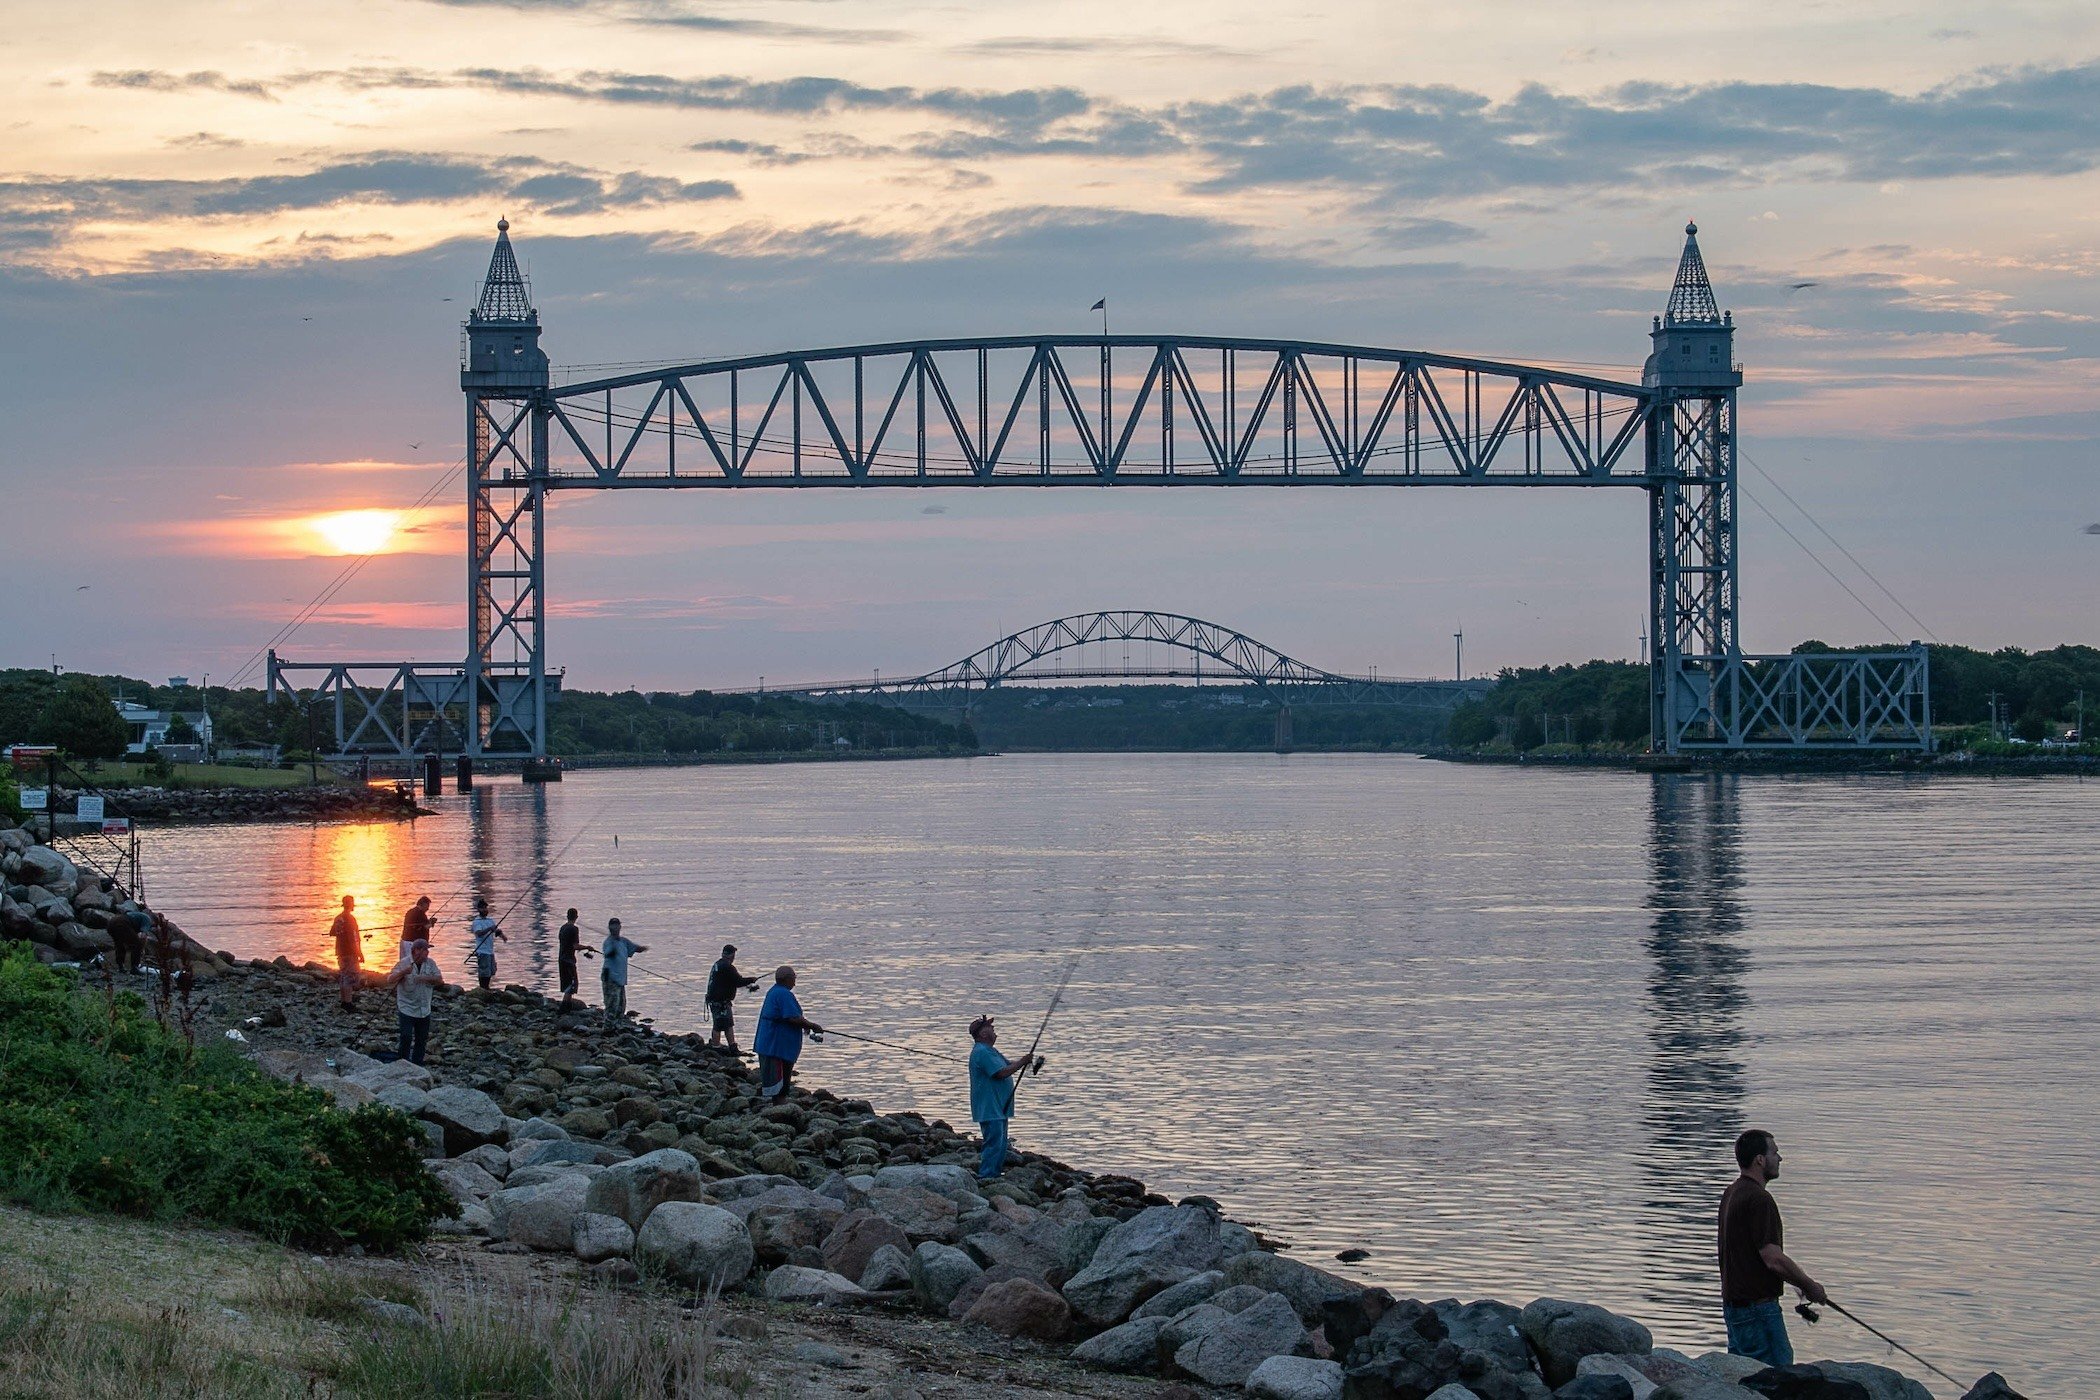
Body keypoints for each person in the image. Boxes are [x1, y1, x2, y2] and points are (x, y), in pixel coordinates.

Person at [1719, 1129, 1827, 1366]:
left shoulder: (1732, 1193)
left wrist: (1796, 1282)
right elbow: (1772, 1258)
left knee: (1743, 1382)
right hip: (1757, 1313)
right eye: (1775, 1153)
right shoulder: (1759, 1200)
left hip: (1734, 1311)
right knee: (1778, 1378)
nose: (1780, 1159)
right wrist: (1810, 1286)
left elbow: (1747, 1257)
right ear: (1760, 1159)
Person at [967, 1014, 1041, 1182]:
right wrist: (1023, 1061)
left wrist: (1024, 1061)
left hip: (999, 1107)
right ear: (983, 1034)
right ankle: (987, 1176)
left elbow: (1008, 1065)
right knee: (993, 1143)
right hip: (990, 1106)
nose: (993, 1029)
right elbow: (1001, 1073)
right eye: (989, 1027)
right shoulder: (982, 1052)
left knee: (1000, 1143)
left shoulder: (989, 1051)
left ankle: (994, 1174)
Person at [754, 966, 823, 1101]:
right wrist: (812, 1026)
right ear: (787, 979)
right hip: (776, 1046)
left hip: (771, 1044)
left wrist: (805, 1025)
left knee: (777, 1080)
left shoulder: (774, 991)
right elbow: (792, 1017)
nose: (795, 982)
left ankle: (775, 1105)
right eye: (794, 978)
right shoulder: (784, 994)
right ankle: (778, 1107)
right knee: (781, 1081)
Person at [386, 938, 446, 1065]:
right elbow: (390, 979)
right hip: (406, 1006)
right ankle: (403, 1062)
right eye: (424, 950)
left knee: (421, 1039)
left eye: (427, 950)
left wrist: (425, 978)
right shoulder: (404, 963)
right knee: (406, 1037)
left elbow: (440, 980)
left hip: (424, 1008)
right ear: (415, 950)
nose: (427, 953)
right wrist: (403, 972)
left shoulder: (431, 963)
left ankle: (417, 1064)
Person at [704, 943, 761, 1051]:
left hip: (716, 1000)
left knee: (728, 1024)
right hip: (720, 1002)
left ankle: (732, 1046)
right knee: (719, 1024)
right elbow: (738, 981)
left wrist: (747, 984)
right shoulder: (727, 967)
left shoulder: (718, 964)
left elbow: (732, 982)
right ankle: (716, 1047)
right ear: (731, 955)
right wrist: (751, 980)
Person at [599, 917, 646, 1023]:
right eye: (613, 926)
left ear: (620, 927)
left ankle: (617, 1026)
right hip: (610, 976)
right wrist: (613, 948)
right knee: (611, 1004)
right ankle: (608, 1028)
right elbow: (608, 954)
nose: (615, 928)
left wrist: (642, 948)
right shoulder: (608, 942)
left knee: (621, 1004)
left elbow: (634, 948)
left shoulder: (623, 941)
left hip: (620, 978)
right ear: (610, 928)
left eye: (617, 925)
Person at [467, 898, 507, 991]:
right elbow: (479, 933)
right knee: (484, 971)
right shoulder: (477, 922)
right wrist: (489, 929)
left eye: (486, 908)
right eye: (483, 908)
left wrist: (502, 936)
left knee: (491, 971)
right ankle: (483, 988)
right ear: (479, 910)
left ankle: (487, 988)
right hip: (482, 950)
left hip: (490, 950)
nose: (485, 910)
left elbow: (496, 931)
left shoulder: (490, 920)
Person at [330, 894, 362, 1009]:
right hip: (349, 952)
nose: (353, 905)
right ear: (350, 904)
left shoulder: (338, 918)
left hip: (339, 951)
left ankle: (344, 1001)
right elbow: (353, 938)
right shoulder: (350, 919)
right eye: (352, 903)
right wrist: (359, 953)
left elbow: (332, 932)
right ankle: (348, 1003)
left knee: (343, 975)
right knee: (351, 976)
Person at [557, 907, 590, 1007]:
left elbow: (566, 944)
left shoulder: (563, 927)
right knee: (571, 984)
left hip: (561, 959)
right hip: (569, 960)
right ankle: (564, 1007)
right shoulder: (574, 929)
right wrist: (587, 947)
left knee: (566, 983)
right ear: (576, 917)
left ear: (567, 916)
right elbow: (575, 946)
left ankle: (567, 1006)